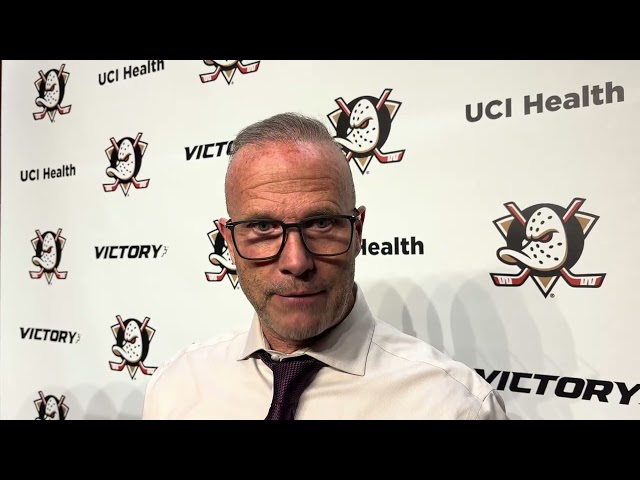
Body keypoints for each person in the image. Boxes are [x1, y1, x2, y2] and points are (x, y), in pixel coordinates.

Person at [142, 112, 509, 420]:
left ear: (358, 230)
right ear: (229, 241)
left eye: (321, 224)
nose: (296, 262)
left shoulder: (453, 406)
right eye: (263, 228)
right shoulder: (177, 386)